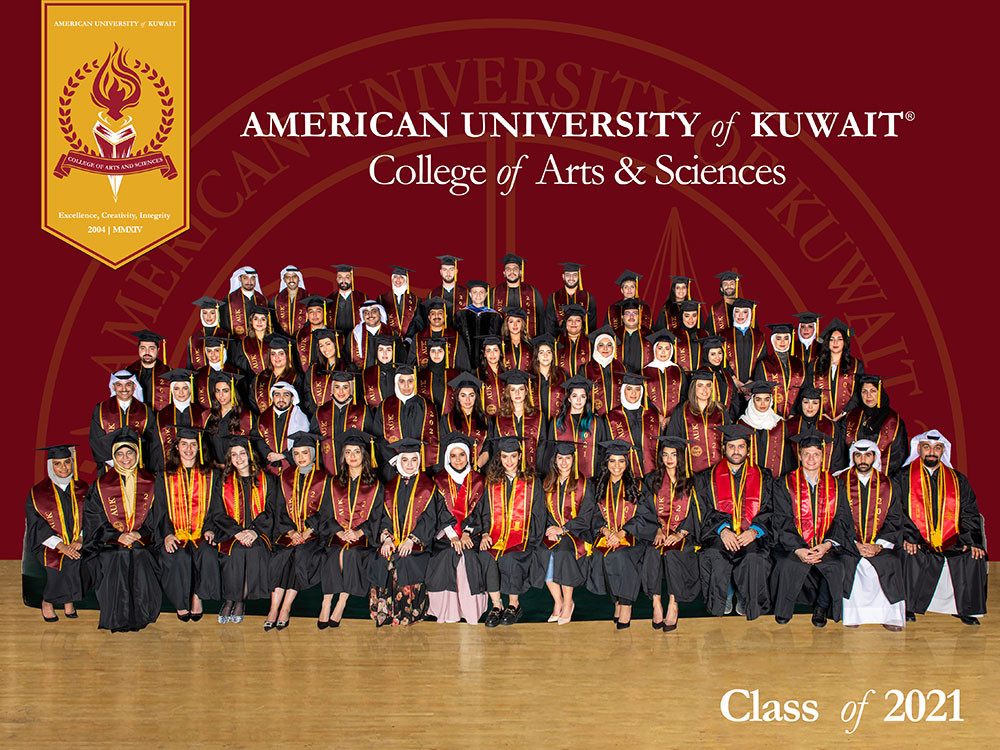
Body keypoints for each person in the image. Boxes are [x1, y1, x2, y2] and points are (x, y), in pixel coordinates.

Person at [899, 430, 987, 626]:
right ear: (918, 449)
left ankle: (965, 608)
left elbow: (969, 512)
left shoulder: (957, 480)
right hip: (917, 539)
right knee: (910, 553)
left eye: (937, 448)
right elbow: (896, 512)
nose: (932, 452)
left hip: (950, 539)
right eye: (927, 447)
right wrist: (909, 537)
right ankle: (909, 606)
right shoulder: (902, 478)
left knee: (972, 556)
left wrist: (971, 541)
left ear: (943, 451)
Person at [771, 428, 853, 626]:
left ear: (822, 457)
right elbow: (781, 519)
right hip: (794, 545)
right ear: (799, 456)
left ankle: (821, 608)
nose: (811, 459)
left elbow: (842, 518)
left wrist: (827, 545)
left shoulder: (836, 485)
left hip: (826, 545)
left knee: (837, 564)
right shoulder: (784, 484)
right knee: (787, 564)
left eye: (816, 454)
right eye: (806, 454)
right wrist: (798, 548)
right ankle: (784, 609)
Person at [83, 428, 161, 632]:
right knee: (116, 556)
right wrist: (117, 535)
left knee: (140, 554)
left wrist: (140, 533)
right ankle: (116, 618)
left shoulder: (152, 482)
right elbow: (93, 520)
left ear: (137, 454)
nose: (125, 458)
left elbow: (159, 516)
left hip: (144, 540)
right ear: (113, 456)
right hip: (110, 542)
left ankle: (142, 615)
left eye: (129, 453)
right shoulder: (101, 485)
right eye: (120, 454)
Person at [694, 424, 773, 621]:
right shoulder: (706, 477)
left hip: (751, 533)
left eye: (741, 446)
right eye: (731, 446)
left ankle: (747, 599)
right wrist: (723, 530)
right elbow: (703, 510)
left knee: (753, 557)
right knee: (714, 554)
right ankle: (724, 596)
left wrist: (754, 531)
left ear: (748, 449)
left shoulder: (764, 476)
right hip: (719, 533)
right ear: (724, 448)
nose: (736, 451)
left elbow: (770, 508)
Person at [468, 436, 546, 627]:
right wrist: (485, 534)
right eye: (504, 457)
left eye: (513, 456)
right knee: (486, 554)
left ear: (520, 456)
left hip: (523, 536)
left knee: (511, 557)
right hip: (495, 534)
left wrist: (529, 539)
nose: (509, 461)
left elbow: (539, 514)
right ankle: (496, 605)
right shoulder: (492, 482)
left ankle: (513, 604)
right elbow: (485, 512)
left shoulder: (532, 482)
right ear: (499, 457)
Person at [369, 438, 444, 627]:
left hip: (417, 544)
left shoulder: (428, 486)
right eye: (405, 460)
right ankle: (384, 612)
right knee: (384, 557)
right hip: (394, 540)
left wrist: (412, 540)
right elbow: (383, 517)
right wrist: (387, 538)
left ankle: (406, 613)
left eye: (413, 460)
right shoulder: (390, 486)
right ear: (399, 461)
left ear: (419, 461)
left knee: (406, 558)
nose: (409, 464)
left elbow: (430, 519)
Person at [586, 440, 657, 629]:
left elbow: (646, 515)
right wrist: (605, 531)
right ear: (606, 463)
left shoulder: (638, 486)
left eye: (621, 461)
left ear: (627, 463)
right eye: (612, 461)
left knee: (622, 555)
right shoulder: (598, 486)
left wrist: (622, 532)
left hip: (634, 536)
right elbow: (593, 514)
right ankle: (616, 600)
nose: (616, 466)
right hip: (607, 535)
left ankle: (625, 606)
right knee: (601, 556)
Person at [153, 426, 221, 621]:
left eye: (193, 445)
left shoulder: (211, 474)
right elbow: (160, 509)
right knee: (178, 556)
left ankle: (197, 596)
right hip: (175, 532)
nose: (189, 449)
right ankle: (181, 602)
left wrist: (210, 529)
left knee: (208, 552)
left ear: (199, 448)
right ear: (177, 447)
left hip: (202, 531)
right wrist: (167, 534)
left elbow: (217, 507)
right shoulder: (164, 475)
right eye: (184, 444)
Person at [318, 429, 384, 629]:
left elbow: (377, 516)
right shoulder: (333, 483)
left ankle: (342, 601)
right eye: (348, 452)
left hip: (363, 535)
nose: (352, 456)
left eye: (356, 452)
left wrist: (359, 532)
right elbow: (326, 513)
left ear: (364, 455)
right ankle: (326, 601)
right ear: (343, 456)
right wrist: (338, 531)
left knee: (351, 554)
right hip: (338, 532)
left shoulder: (375, 485)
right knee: (333, 553)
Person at [837, 440, 906, 631]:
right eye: (858, 455)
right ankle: (852, 614)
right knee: (847, 561)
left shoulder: (889, 484)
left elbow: (895, 519)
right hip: (849, 544)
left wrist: (879, 545)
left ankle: (891, 616)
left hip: (879, 544)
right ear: (852, 457)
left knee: (890, 561)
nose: (863, 460)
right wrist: (853, 544)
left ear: (875, 457)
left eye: (867, 455)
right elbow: (835, 519)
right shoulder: (839, 482)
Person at [265, 432, 331, 630]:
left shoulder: (324, 479)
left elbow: (327, 511)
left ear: (313, 453)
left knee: (299, 553)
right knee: (284, 553)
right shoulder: (285, 477)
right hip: (289, 533)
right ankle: (273, 608)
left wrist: (308, 531)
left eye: (305, 452)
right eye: (296, 453)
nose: (301, 457)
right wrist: (291, 532)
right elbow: (279, 508)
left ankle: (285, 608)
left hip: (313, 535)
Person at [210, 434, 277, 625]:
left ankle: (239, 601)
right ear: (229, 458)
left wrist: (255, 531)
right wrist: (237, 532)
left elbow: (272, 510)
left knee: (253, 550)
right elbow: (217, 513)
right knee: (236, 552)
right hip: (231, 532)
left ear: (250, 455)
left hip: (259, 532)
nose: (238, 458)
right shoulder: (223, 482)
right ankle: (230, 600)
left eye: (242, 453)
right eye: (234, 455)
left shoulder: (267, 480)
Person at [425, 434, 489, 624]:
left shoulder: (479, 480)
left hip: (472, 533)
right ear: (448, 457)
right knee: (446, 555)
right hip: (446, 534)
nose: (458, 459)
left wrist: (467, 532)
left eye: (462, 455)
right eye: (453, 455)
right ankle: (448, 611)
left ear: (468, 456)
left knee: (468, 556)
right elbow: (438, 511)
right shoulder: (438, 480)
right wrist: (453, 535)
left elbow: (481, 510)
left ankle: (470, 611)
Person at [642, 436, 701, 632]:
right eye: (665, 455)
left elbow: (698, 511)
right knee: (653, 552)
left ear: (680, 457)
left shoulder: (693, 481)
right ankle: (656, 603)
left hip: (684, 533)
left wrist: (681, 533)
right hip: (657, 532)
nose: (669, 459)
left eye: (673, 455)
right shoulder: (651, 479)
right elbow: (644, 509)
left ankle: (673, 604)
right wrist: (656, 529)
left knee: (674, 554)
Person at [26, 444, 89, 622]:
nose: (63, 467)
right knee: (65, 561)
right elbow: (36, 525)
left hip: (79, 540)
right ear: (50, 466)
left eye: (67, 462)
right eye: (57, 463)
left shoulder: (84, 488)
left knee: (82, 559)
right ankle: (48, 601)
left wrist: (81, 538)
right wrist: (61, 545)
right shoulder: (37, 493)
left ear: (72, 463)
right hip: (48, 544)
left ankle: (68, 600)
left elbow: (93, 517)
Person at [536, 440, 595, 625]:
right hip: (553, 531)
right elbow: (543, 512)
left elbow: (587, 515)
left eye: (567, 458)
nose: (563, 462)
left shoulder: (584, 484)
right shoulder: (547, 483)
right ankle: (558, 601)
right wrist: (549, 529)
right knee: (541, 551)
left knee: (563, 552)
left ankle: (569, 603)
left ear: (573, 460)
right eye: (560, 458)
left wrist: (563, 529)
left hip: (577, 533)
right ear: (555, 460)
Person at [373, 364, 439, 479]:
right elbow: (378, 437)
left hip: (421, 465)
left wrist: (419, 460)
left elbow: (434, 437)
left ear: (415, 382)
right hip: (392, 466)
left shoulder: (426, 405)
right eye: (402, 381)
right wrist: (394, 460)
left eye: (410, 381)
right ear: (396, 382)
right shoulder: (385, 405)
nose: (406, 385)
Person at [842, 374, 908, 476]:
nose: (868, 396)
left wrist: (882, 478)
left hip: (883, 478)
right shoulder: (851, 416)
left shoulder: (893, 421)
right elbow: (842, 450)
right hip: (852, 478)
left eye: (873, 391)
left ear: (880, 392)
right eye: (864, 391)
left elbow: (899, 455)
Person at [310, 371, 373, 475]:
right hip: (328, 468)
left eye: (345, 387)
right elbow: (314, 441)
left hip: (356, 469)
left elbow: (370, 441)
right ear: (332, 389)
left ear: (351, 389)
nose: (341, 391)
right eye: (337, 387)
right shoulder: (321, 412)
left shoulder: (363, 410)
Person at [665, 370, 729, 474]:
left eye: (708, 385)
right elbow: (672, 439)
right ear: (693, 388)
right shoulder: (681, 410)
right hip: (689, 469)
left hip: (718, 470)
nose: (705, 389)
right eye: (700, 385)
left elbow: (728, 440)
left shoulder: (721, 411)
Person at [549, 375, 609, 478]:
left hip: (590, 477)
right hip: (563, 477)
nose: (578, 400)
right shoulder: (557, 422)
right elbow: (550, 451)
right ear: (569, 398)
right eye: (574, 396)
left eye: (583, 396)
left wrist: (598, 475)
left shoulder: (596, 422)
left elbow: (602, 451)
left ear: (586, 399)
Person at [89, 370, 151, 467]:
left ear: (134, 386)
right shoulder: (101, 409)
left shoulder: (145, 410)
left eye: (128, 384)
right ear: (113, 387)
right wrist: (114, 462)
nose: (124, 389)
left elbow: (152, 440)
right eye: (119, 385)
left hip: (139, 465)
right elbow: (95, 439)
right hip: (109, 466)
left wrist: (136, 461)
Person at [808, 317, 864, 421]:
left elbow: (858, 392)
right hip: (820, 417)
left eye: (839, 339)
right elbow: (810, 390)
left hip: (847, 417)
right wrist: (822, 413)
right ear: (827, 342)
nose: (835, 342)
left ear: (845, 342)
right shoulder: (815, 365)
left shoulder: (856, 365)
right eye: (831, 339)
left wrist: (843, 413)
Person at [490, 369, 546, 472]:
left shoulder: (538, 416)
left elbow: (542, 446)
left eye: (521, 389)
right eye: (513, 389)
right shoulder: (501, 418)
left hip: (532, 470)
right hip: (507, 470)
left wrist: (537, 471)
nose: (517, 393)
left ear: (526, 392)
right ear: (508, 393)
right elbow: (496, 448)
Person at [606, 372, 660, 477]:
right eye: (629, 389)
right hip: (624, 474)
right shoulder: (611, 417)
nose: (633, 393)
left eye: (637, 389)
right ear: (623, 390)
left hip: (652, 473)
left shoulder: (652, 415)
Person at [151, 369, 206, 472]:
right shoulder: (161, 416)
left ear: (190, 389)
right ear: (172, 390)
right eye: (176, 388)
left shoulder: (201, 414)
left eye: (185, 388)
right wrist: (158, 470)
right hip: (168, 470)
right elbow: (156, 447)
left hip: (197, 469)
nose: (181, 392)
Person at [250, 382, 310, 476]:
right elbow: (257, 439)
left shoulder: (301, 419)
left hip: (293, 468)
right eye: (277, 395)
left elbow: (305, 442)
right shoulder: (263, 418)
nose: (281, 399)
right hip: (269, 468)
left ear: (292, 398)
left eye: (285, 395)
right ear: (272, 397)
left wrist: (284, 455)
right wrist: (268, 454)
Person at [740, 381, 794, 479]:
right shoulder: (742, 424)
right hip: (748, 480)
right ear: (752, 400)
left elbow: (786, 457)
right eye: (758, 399)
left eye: (767, 399)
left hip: (775, 480)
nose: (763, 403)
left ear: (771, 400)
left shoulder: (779, 424)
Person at [785, 386, 846, 472]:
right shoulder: (789, 425)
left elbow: (838, 458)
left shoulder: (831, 427)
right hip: (794, 477)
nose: (810, 407)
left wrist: (829, 478)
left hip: (825, 477)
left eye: (815, 403)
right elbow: (785, 458)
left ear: (820, 405)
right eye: (806, 402)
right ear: (800, 403)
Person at [752, 323, 806, 418]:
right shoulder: (764, 364)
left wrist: (793, 412)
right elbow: (760, 391)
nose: (782, 342)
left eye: (786, 338)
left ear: (790, 340)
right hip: (770, 415)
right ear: (773, 340)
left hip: (795, 415)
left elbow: (803, 390)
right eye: (778, 338)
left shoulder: (799, 363)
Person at [440, 373, 490, 470]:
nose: (467, 399)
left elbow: (487, 449)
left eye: (471, 395)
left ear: (476, 397)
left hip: (479, 470)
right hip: (454, 469)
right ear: (458, 398)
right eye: (463, 395)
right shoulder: (447, 420)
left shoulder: (486, 420)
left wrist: (475, 468)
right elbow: (444, 448)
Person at [489, 253, 544, 338]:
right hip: (501, 342)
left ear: (520, 272)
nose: (512, 272)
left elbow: (541, 318)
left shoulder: (532, 292)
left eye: (515, 269)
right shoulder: (494, 292)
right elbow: (490, 321)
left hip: (529, 341)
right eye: (508, 269)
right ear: (504, 273)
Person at [410, 297, 471, 371]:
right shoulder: (418, 337)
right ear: (429, 317)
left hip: (451, 378)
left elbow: (463, 365)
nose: (436, 316)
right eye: (433, 313)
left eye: (440, 313)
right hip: (425, 378)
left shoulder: (455, 337)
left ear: (445, 316)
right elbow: (411, 366)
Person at [643, 329, 685, 430]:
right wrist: (658, 416)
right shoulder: (644, 371)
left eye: (667, 348)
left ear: (671, 350)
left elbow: (684, 395)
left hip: (675, 420)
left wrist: (673, 417)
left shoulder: (679, 371)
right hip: (651, 420)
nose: (663, 352)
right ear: (654, 349)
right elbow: (642, 397)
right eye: (660, 348)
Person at [719, 298, 766, 387]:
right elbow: (721, 360)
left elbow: (762, 361)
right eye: (737, 311)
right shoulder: (724, 335)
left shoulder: (758, 336)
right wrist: (734, 380)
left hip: (752, 385)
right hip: (730, 383)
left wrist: (752, 381)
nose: (740, 315)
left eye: (745, 312)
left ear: (750, 314)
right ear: (733, 313)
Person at [454, 280, 502, 366]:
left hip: (488, 360)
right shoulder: (460, 315)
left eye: (481, 292)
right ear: (470, 294)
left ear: (486, 294)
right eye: (475, 292)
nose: (478, 295)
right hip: (465, 359)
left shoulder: (495, 316)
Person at [249, 334, 299, 414]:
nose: (276, 357)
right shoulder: (259, 378)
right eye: (273, 354)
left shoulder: (297, 378)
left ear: (288, 355)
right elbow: (252, 403)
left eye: (281, 353)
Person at [298, 327, 342, 417]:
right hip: (318, 416)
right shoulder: (313, 369)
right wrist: (315, 412)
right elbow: (307, 392)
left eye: (328, 344)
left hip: (341, 416)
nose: (325, 349)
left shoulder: (348, 367)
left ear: (336, 344)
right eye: (321, 346)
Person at [544, 262, 598, 335]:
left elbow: (592, 325)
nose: (571, 278)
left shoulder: (588, 298)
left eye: (574, 275)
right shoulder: (553, 297)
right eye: (568, 275)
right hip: (559, 340)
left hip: (582, 340)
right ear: (563, 276)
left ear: (579, 276)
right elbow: (549, 325)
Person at [695, 335, 739, 420]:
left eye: (719, 353)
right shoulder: (701, 374)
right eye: (713, 354)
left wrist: (730, 418)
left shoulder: (725, 374)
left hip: (727, 420)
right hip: (707, 420)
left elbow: (734, 399)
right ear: (706, 355)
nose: (717, 357)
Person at [586, 326, 627, 416]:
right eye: (601, 345)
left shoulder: (622, 368)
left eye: (609, 345)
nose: (605, 348)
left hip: (618, 419)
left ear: (613, 347)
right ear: (596, 347)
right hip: (594, 418)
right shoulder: (585, 369)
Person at [192, 335, 240, 410]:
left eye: (217, 350)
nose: (213, 354)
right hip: (207, 415)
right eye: (209, 351)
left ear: (223, 351)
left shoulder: (235, 371)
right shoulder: (199, 374)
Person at [126, 329, 170, 411]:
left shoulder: (169, 373)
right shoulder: (129, 372)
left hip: (160, 418)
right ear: (138, 349)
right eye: (143, 348)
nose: (147, 352)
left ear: (158, 350)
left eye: (151, 348)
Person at [294, 295, 338, 372]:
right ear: (307, 315)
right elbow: (296, 361)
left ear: (325, 313)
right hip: (305, 377)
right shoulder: (298, 335)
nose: (314, 315)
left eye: (318, 311)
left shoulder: (335, 335)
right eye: (311, 312)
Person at [416, 337, 460, 415]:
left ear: (445, 352)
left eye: (440, 350)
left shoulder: (456, 375)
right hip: (428, 419)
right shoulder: (420, 376)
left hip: (450, 420)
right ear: (428, 353)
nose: (436, 354)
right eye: (433, 351)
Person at [528, 333, 566, 422]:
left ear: (553, 356)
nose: (545, 355)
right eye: (541, 352)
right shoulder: (529, 378)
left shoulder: (562, 377)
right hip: (534, 425)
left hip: (557, 424)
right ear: (537, 357)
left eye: (548, 352)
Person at [350, 300, 396, 370]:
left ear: (380, 313)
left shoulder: (391, 333)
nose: (370, 315)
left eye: (374, 311)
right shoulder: (354, 334)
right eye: (366, 312)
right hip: (361, 374)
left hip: (386, 375)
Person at [378, 265, 420, 340]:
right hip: (388, 340)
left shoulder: (415, 300)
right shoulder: (382, 298)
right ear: (392, 279)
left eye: (401, 277)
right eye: (395, 276)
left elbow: (418, 321)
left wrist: (409, 339)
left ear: (406, 280)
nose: (398, 279)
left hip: (409, 341)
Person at [223, 266, 267, 337]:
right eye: (245, 278)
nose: (249, 282)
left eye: (252, 278)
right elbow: (224, 324)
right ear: (239, 278)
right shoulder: (229, 299)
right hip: (237, 341)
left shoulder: (262, 299)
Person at [187, 297, 229, 369]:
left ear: (217, 313)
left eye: (212, 313)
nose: (208, 316)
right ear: (201, 314)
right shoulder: (193, 339)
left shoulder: (227, 335)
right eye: (205, 313)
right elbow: (190, 366)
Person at [360, 335, 402, 408]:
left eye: (388, 350)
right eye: (381, 349)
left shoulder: (400, 374)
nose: (384, 353)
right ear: (376, 352)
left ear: (393, 352)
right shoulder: (367, 374)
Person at [230, 305, 273, 376]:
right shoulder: (243, 344)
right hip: (252, 380)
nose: (259, 322)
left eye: (263, 319)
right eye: (255, 319)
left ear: (267, 322)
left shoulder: (275, 341)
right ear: (251, 321)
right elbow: (242, 367)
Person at [328, 265, 369, 337]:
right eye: (340, 277)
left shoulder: (363, 298)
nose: (343, 280)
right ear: (336, 279)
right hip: (337, 338)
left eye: (347, 277)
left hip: (357, 338)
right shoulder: (330, 299)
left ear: (352, 279)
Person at [613, 299, 652, 374]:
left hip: (643, 378)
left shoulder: (649, 336)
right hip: (620, 378)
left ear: (639, 316)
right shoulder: (614, 336)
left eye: (635, 313)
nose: (631, 316)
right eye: (627, 313)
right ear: (622, 317)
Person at [428, 254, 468, 325]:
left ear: (456, 271)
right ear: (440, 272)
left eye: (451, 269)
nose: (448, 273)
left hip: (461, 331)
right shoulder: (432, 294)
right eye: (445, 269)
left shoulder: (466, 294)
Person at [555, 304, 591, 377]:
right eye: (570, 320)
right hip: (562, 382)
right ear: (565, 323)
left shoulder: (591, 343)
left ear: (582, 323)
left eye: (577, 320)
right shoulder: (556, 342)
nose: (573, 323)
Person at [272, 265, 307, 337]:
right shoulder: (276, 299)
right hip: (282, 338)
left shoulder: (307, 297)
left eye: (294, 277)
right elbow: (273, 321)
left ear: (299, 278)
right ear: (284, 280)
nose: (291, 280)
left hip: (303, 338)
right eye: (288, 277)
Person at [705, 270, 741, 335]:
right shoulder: (715, 310)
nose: (729, 286)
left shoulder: (746, 307)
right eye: (725, 284)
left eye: (732, 283)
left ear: (737, 286)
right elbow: (709, 335)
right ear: (721, 289)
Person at [477, 335, 505, 417]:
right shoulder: (476, 374)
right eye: (488, 350)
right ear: (484, 354)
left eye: (495, 350)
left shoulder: (508, 372)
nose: (492, 354)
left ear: (500, 352)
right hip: (485, 418)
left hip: (507, 418)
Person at [670, 299, 703, 370]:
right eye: (687, 316)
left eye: (694, 315)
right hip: (679, 375)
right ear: (681, 317)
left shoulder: (704, 334)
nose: (691, 319)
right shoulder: (673, 335)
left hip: (702, 376)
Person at [501, 305, 534, 372]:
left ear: (522, 324)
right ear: (507, 324)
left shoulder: (531, 344)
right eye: (511, 321)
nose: (515, 324)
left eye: (518, 321)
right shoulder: (501, 344)